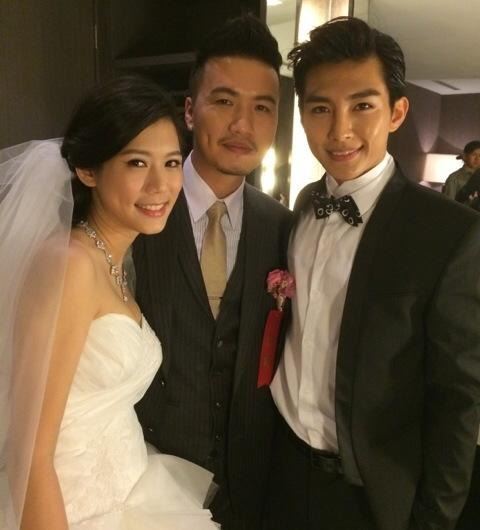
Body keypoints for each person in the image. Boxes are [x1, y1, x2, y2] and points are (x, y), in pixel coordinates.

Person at [265, 17, 480, 530]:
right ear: (302, 114)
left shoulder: (449, 233)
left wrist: (433, 522)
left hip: (373, 496)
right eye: (321, 108)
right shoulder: (302, 207)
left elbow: (458, 400)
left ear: (397, 112)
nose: (340, 131)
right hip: (280, 470)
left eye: (362, 106)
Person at [0, 75, 219, 530]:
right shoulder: (70, 265)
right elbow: (30, 451)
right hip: (74, 509)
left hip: (129, 492)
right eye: (137, 163)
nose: (161, 184)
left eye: (171, 163)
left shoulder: (114, 259)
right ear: (88, 170)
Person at [133, 14, 292, 530]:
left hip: (254, 493)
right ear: (189, 109)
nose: (243, 125)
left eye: (262, 107)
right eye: (224, 101)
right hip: (147, 489)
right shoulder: (136, 212)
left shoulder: (286, 228)